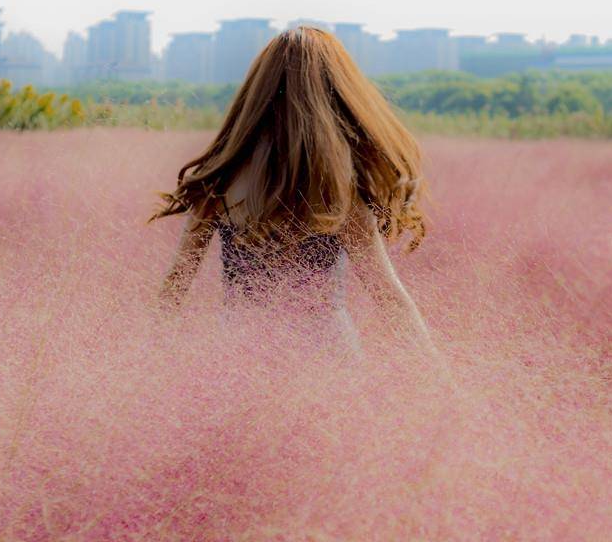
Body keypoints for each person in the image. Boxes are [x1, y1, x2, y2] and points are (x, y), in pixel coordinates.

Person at [152, 26, 442, 362]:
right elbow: (390, 298)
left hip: (238, 362)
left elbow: (173, 289)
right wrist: (441, 387)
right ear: (334, 94)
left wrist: (148, 372)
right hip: (328, 362)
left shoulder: (219, 184)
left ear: (257, 94)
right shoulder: (337, 195)